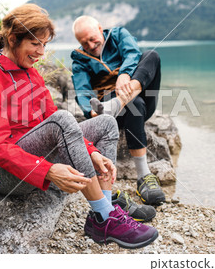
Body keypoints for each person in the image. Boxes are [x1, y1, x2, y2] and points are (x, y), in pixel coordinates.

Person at [0, 4, 158, 249]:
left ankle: (103, 215)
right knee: (63, 119)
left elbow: (53, 121)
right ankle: (108, 215)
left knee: (107, 123)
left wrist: (92, 151)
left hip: (31, 154)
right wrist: (46, 170)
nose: (41, 53)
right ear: (13, 39)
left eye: (44, 45)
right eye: (35, 44)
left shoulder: (30, 73)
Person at [71, 16, 166, 206]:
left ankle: (120, 101)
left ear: (100, 28)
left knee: (151, 56)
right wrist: (92, 114)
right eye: (84, 43)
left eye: (92, 38)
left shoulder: (119, 35)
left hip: (138, 95)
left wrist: (125, 73)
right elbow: (83, 91)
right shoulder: (80, 59)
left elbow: (132, 53)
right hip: (110, 112)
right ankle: (144, 176)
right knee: (134, 104)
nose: (90, 45)